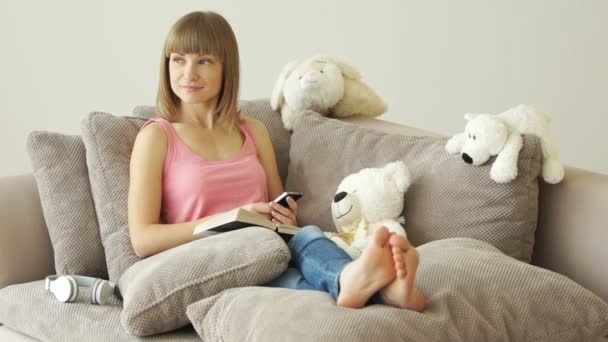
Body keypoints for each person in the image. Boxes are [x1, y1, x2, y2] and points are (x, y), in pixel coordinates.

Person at [127, 11, 425, 312]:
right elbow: (142, 239)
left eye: (203, 61)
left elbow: (277, 206)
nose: (188, 73)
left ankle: (382, 290)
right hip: (207, 260)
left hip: (266, 251)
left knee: (305, 236)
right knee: (283, 261)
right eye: (178, 59)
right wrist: (227, 218)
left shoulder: (253, 130)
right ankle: (369, 285)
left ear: (225, 68)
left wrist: (284, 216)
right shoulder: (157, 137)